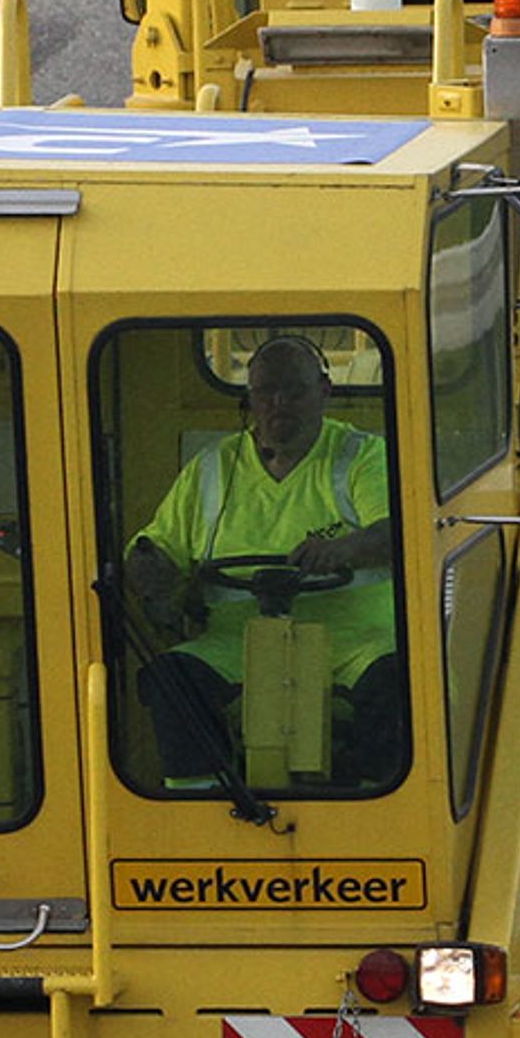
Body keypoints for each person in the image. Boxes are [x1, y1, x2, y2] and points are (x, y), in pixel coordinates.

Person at [121, 334, 404, 785]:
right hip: (237, 646)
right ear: (249, 398)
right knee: (171, 680)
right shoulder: (212, 470)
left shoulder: (362, 457)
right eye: (265, 392)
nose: (278, 404)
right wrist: (150, 569)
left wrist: (342, 549)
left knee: (398, 681)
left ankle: (379, 805)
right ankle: (200, 804)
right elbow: (158, 547)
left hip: (355, 644)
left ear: (324, 391)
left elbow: (395, 533)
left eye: (294, 391)